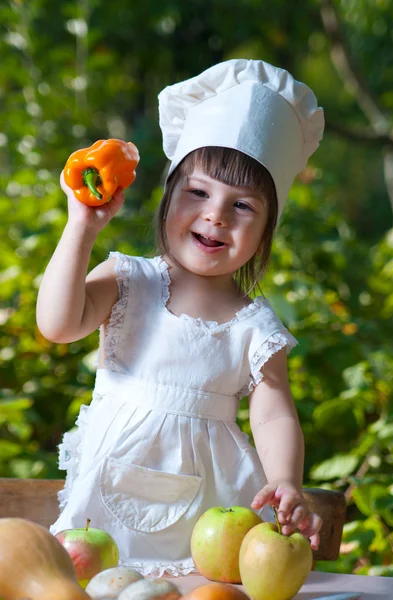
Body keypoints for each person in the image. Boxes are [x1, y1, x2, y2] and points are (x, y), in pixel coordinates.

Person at [36, 58, 325, 576]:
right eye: (198, 192)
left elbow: (273, 412)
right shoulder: (129, 281)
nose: (215, 214)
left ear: (266, 232)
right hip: (102, 514)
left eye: (243, 207)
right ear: (168, 196)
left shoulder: (253, 327)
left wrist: (285, 479)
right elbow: (58, 325)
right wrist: (81, 227)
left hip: (209, 520)